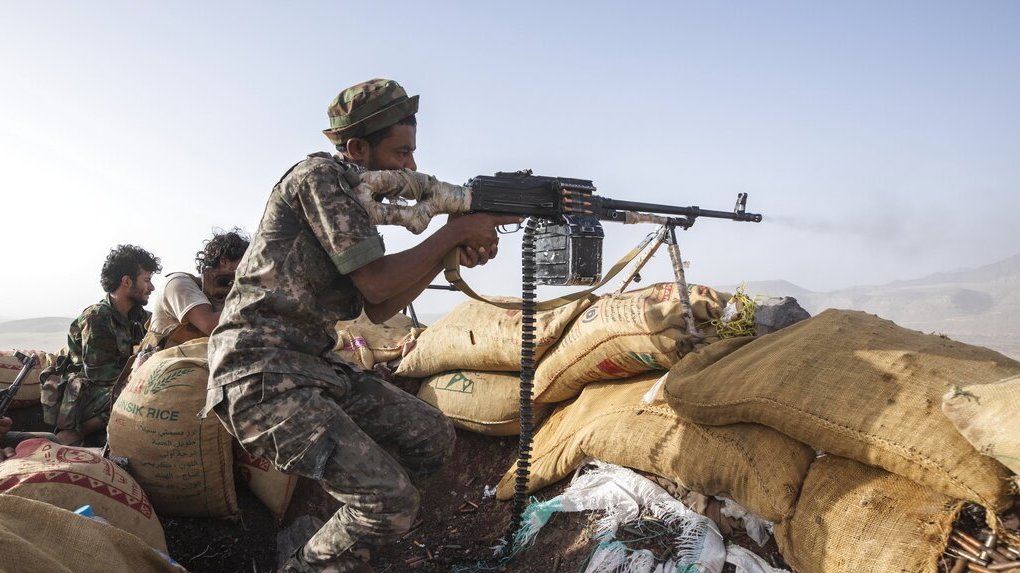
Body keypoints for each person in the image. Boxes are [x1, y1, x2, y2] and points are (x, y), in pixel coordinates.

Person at [204, 78, 521, 573]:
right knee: (389, 503)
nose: (411, 167)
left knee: (430, 436)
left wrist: (448, 251)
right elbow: (376, 284)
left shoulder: (352, 199)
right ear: (357, 148)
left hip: (311, 367)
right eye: (401, 153)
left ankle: (347, 541)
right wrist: (453, 232)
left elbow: (379, 308)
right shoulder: (320, 178)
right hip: (260, 374)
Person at [42, 245, 161, 446]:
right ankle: (79, 431)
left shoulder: (140, 317)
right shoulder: (97, 317)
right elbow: (101, 375)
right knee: (141, 392)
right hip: (87, 395)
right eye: (147, 280)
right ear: (126, 281)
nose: (152, 288)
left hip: (110, 388)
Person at [145, 228, 250, 346]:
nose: (249, 271)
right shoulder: (178, 283)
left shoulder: (227, 293)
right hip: (168, 360)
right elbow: (209, 325)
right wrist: (255, 301)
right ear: (224, 261)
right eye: (245, 264)